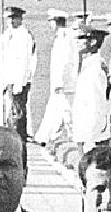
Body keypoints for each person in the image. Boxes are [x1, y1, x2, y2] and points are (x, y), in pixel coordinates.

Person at [33, 9, 78, 149]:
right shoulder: (62, 36)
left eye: (51, 21)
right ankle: (46, 137)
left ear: (56, 22)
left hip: (65, 82)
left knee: (67, 111)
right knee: (54, 110)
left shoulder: (65, 36)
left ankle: (72, 138)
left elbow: (65, 61)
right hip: (61, 82)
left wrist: (60, 82)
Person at [0, 5, 36, 140]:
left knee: (17, 114)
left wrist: (20, 83)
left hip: (18, 81)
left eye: (14, 18)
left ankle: (19, 140)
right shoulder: (5, 35)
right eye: (9, 18)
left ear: (20, 19)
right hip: (5, 80)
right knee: (4, 113)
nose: (11, 21)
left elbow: (25, 61)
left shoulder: (24, 36)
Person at [71, 25, 110, 154]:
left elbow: (96, 104)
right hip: (85, 131)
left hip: (91, 134)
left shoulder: (94, 69)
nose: (77, 42)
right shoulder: (89, 64)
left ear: (92, 42)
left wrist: (91, 136)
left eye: (81, 38)